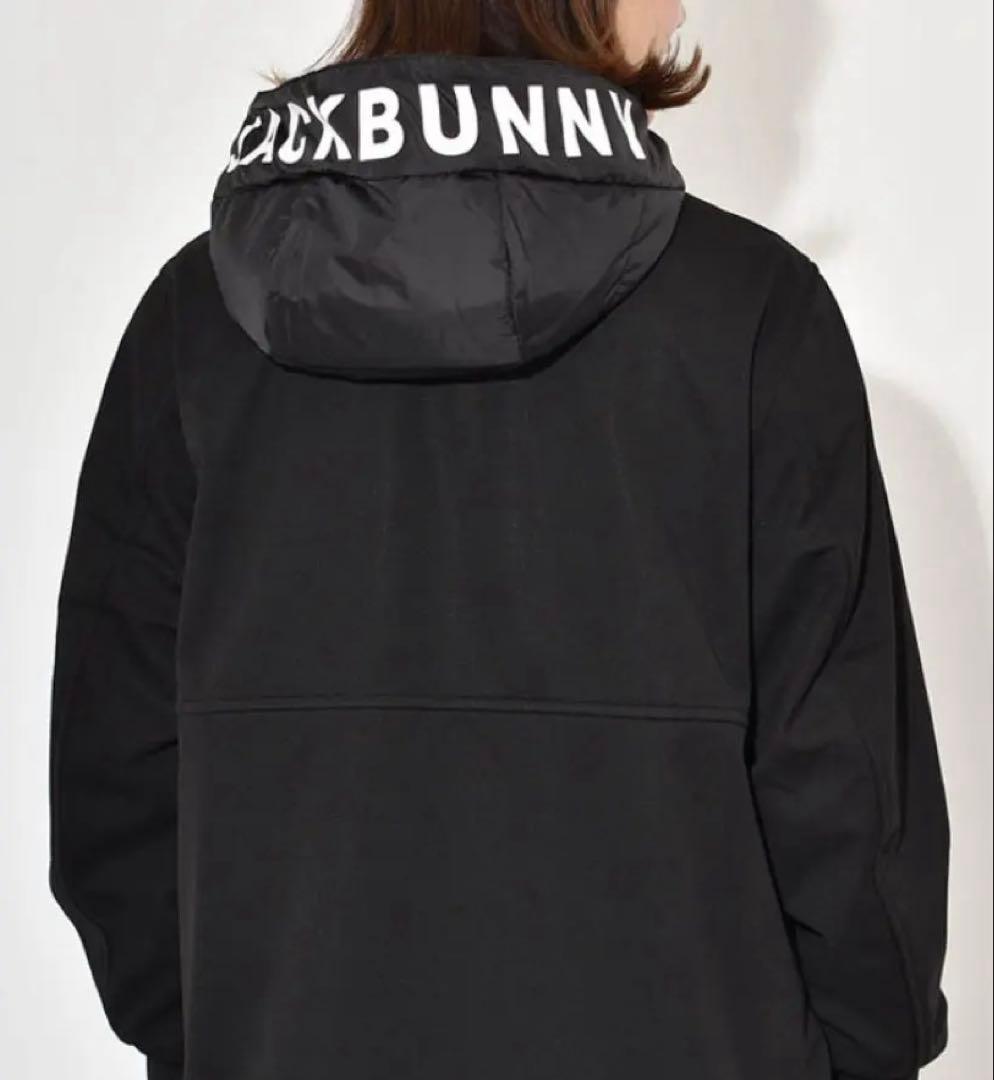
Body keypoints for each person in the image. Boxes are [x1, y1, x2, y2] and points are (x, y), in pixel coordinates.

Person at [48, 2, 950, 1078]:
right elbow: (856, 831)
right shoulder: (755, 316)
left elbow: (114, 804)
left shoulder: (192, 325)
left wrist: (242, 1036)